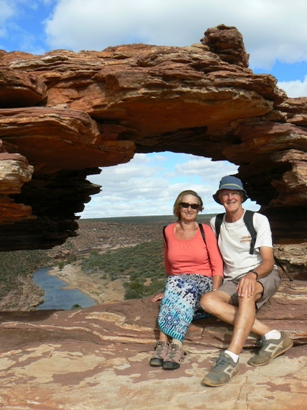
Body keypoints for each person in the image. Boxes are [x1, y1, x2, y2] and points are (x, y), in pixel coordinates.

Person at [200, 175, 293, 387]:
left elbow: (268, 261)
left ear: (242, 197)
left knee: (246, 292)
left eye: (234, 193)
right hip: (233, 279)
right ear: (220, 198)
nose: (230, 197)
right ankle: (273, 335)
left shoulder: (257, 220)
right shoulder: (215, 223)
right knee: (207, 301)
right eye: (226, 193)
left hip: (261, 274)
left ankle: (231, 358)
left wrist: (252, 275)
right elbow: (212, 258)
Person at [150, 190, 223, 370]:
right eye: (185, 205)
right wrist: (167, 290)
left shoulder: (205, 231)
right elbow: (169, 263)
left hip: (203, 282)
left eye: (194, 206)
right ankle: (165, 347)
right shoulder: (168, 230)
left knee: (178, 285)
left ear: (199, 209)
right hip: (177, 284)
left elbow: (217, 264)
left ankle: (173, 345)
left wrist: (215, 293)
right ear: (178, 206)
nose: (189, 209)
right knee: (176, 284)